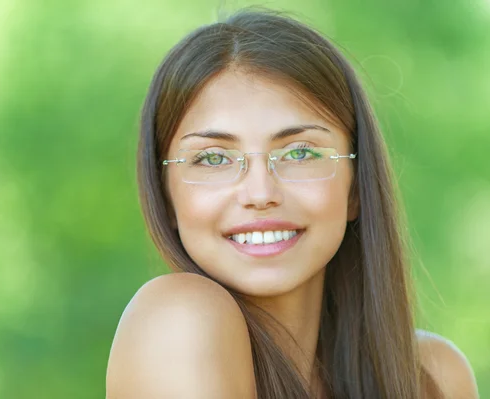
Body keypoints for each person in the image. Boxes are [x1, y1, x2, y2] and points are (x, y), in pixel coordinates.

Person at [105, 7, 479, 399]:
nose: (260, 193)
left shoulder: (429, 378)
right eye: (214, 158)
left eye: (299, 153)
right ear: (166, 195)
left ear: (356, 187)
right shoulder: (178, 319)